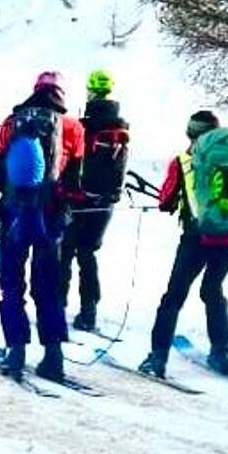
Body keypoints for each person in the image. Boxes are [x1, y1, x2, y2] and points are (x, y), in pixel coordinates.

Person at [138, 110, 228, 378]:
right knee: (212, 290)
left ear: (190, 133)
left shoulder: (183, 160)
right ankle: (221, 353)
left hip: (197, 239)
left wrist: (174, 202)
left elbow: (165, 200)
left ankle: (158, 357)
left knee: (174, 296)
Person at [0, 72, 85, 381]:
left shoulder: (12, 121)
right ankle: (53, 356)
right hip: (52, 217)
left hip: (16, 214)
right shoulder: (73, 127)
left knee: (12, 283)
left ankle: (15, 351)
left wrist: (14, 197)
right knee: (48, 286)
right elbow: (75, 180)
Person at [60, 69, 128, 333]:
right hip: (105, 201)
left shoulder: (82, 125)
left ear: (90, 91)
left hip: (78, 199)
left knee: (65, 252)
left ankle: (58, 305)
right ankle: (89, 312)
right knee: (88, 254)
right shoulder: (121, 127)